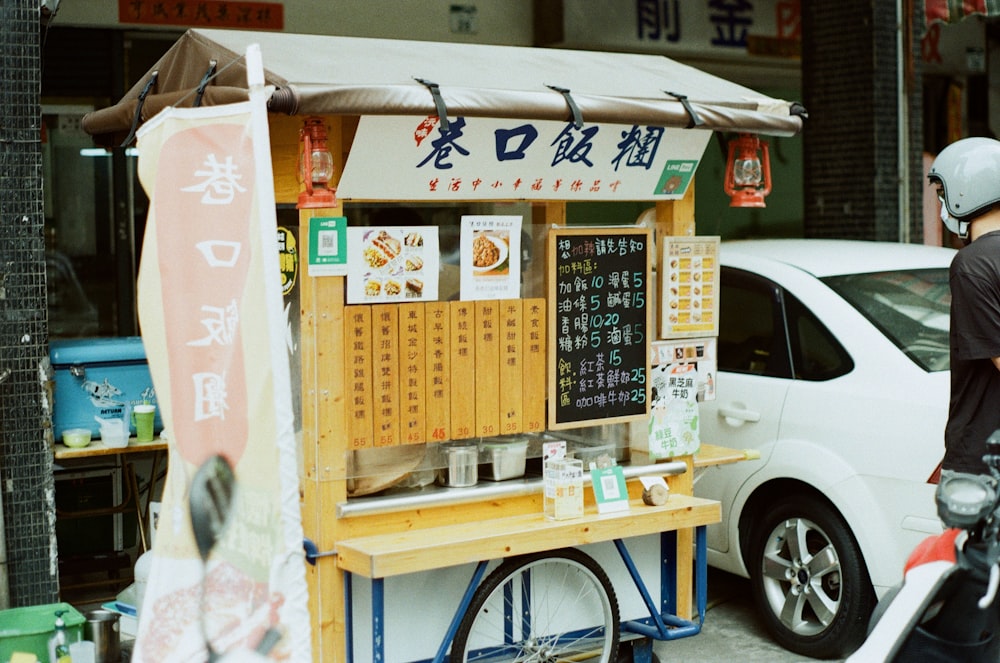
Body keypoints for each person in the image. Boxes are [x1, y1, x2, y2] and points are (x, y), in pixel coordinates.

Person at [928, 137, 1000, 475]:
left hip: (982, 461)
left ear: (965, 191)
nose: (942, 206)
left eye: (942, 194)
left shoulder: (972, 264)